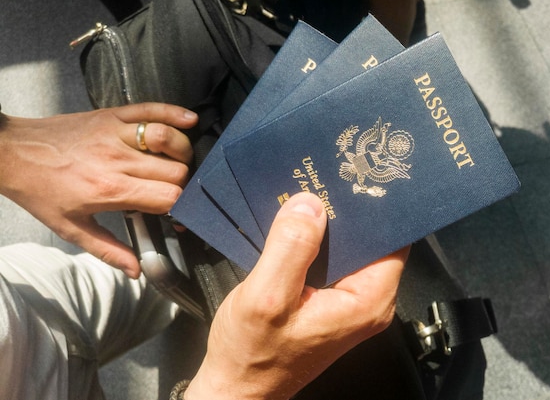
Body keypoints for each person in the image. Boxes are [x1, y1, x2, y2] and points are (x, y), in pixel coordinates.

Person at [0, 103, 409, 399]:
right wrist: (235, 386)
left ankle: (189, 293)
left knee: (158, 283)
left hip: (22, 298)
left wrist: (8, 149)